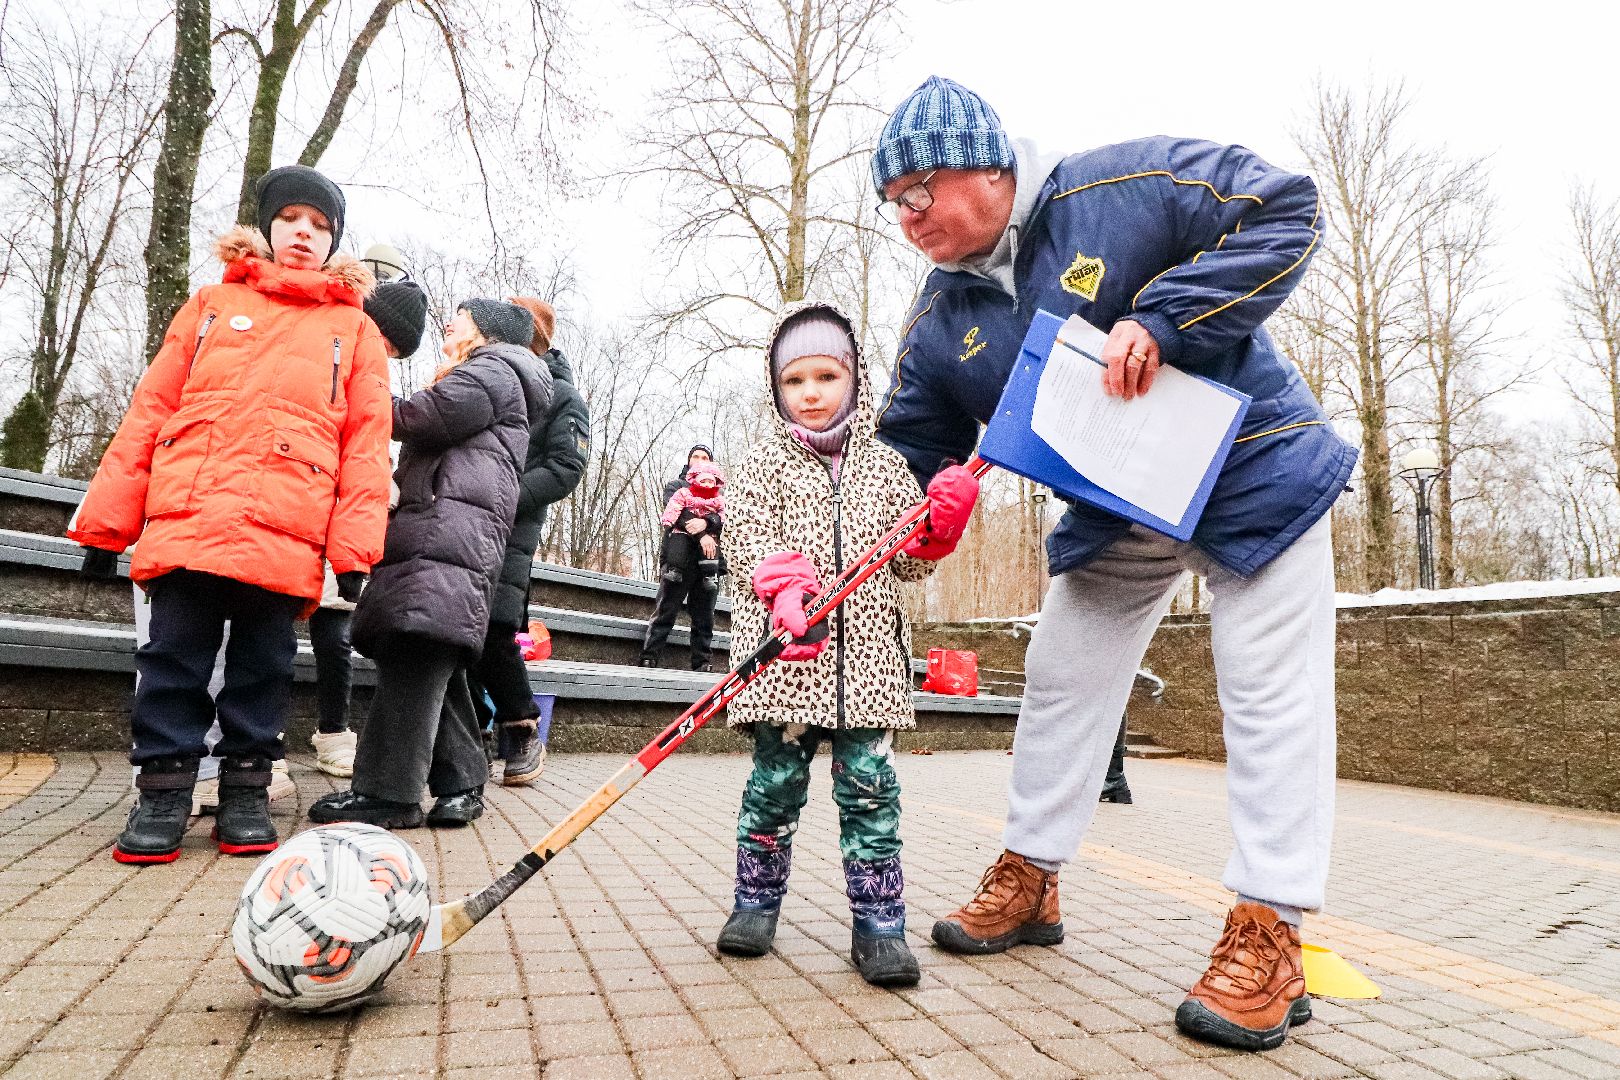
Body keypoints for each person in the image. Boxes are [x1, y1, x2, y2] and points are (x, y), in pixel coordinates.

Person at [870, 77, 1356, 1051]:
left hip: (1252, 474)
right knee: (1061, 675)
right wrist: (909, 522)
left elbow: (1286, 207)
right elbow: (907, 452)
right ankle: (1032, 876)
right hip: (1118, 509)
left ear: (987, 166)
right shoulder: (938, 318)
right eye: (893, 203)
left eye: (919, 190)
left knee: (1269, 692)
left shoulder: (1123, 187)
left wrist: (1166, 320)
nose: (907, 216)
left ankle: (1271, 928)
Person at [70, 164, 393, 863]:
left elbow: (366, 444)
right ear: (268, 226)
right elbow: (151, 408)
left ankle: (247, 791)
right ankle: (162, 795)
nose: (304, 233)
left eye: (320, 225)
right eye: (291, 219)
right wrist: (107, 522)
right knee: (172, 662)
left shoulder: (355, 329)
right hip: (191, 512)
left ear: (334, 241)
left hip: (286, 525)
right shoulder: (211, 304)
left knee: (261, 670)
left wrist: (354, 552)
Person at [718, 302, 979, 988]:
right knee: (774, 788)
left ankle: (880, 924)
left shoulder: (886, 468)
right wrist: (781, 587)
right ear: (776, 387)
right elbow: (745, 546)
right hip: (786, 668)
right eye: (794, 380)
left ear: (854, 378)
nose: (810, 392)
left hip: (868, 669)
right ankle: (754, 903)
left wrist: (939, 531)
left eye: (826, 376)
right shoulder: (760, 467)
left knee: (871, 794)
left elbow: (908, 563)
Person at [308, 298, 551, 828]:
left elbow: (416, 416)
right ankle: (462, 782)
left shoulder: (492, 370)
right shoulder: (499, 374)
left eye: (460, 316)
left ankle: (387, 794)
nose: (449, 322)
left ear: (484, 331)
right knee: (432, 653)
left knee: (414, 646)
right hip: (449, 531)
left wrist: (352, 382)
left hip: (446, 533)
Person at [465, 296, 589, 787]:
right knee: (458, 630)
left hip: (511, 527)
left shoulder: (562, 396)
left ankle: (521, 727)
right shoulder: (485, 378)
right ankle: (469, 736)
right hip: (463, 519)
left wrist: (502, 495)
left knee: (495, 630)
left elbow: (566, 466)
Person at [309, 278, 429, 777]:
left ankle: (334, 731)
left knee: (335, 629)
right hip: (302, 489)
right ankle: (259, 743)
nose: (388, 354)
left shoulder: (375, 374)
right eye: (388, 342)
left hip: (346, 507)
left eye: (397, 351)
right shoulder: (326, 343)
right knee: (266, 627)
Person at [639, 445, 725, 671]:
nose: (700, 460)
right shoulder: (676, 487)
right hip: (678, 557)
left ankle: (702, 662)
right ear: (688, 461)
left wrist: (707, 523)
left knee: (704, 615)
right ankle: (649, 655)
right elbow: (677, 515)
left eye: (704, 457)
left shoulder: (718, 494)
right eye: (695, 456)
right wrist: (703, 535)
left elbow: (725, 519)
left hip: (707, 562)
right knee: (666, 609)